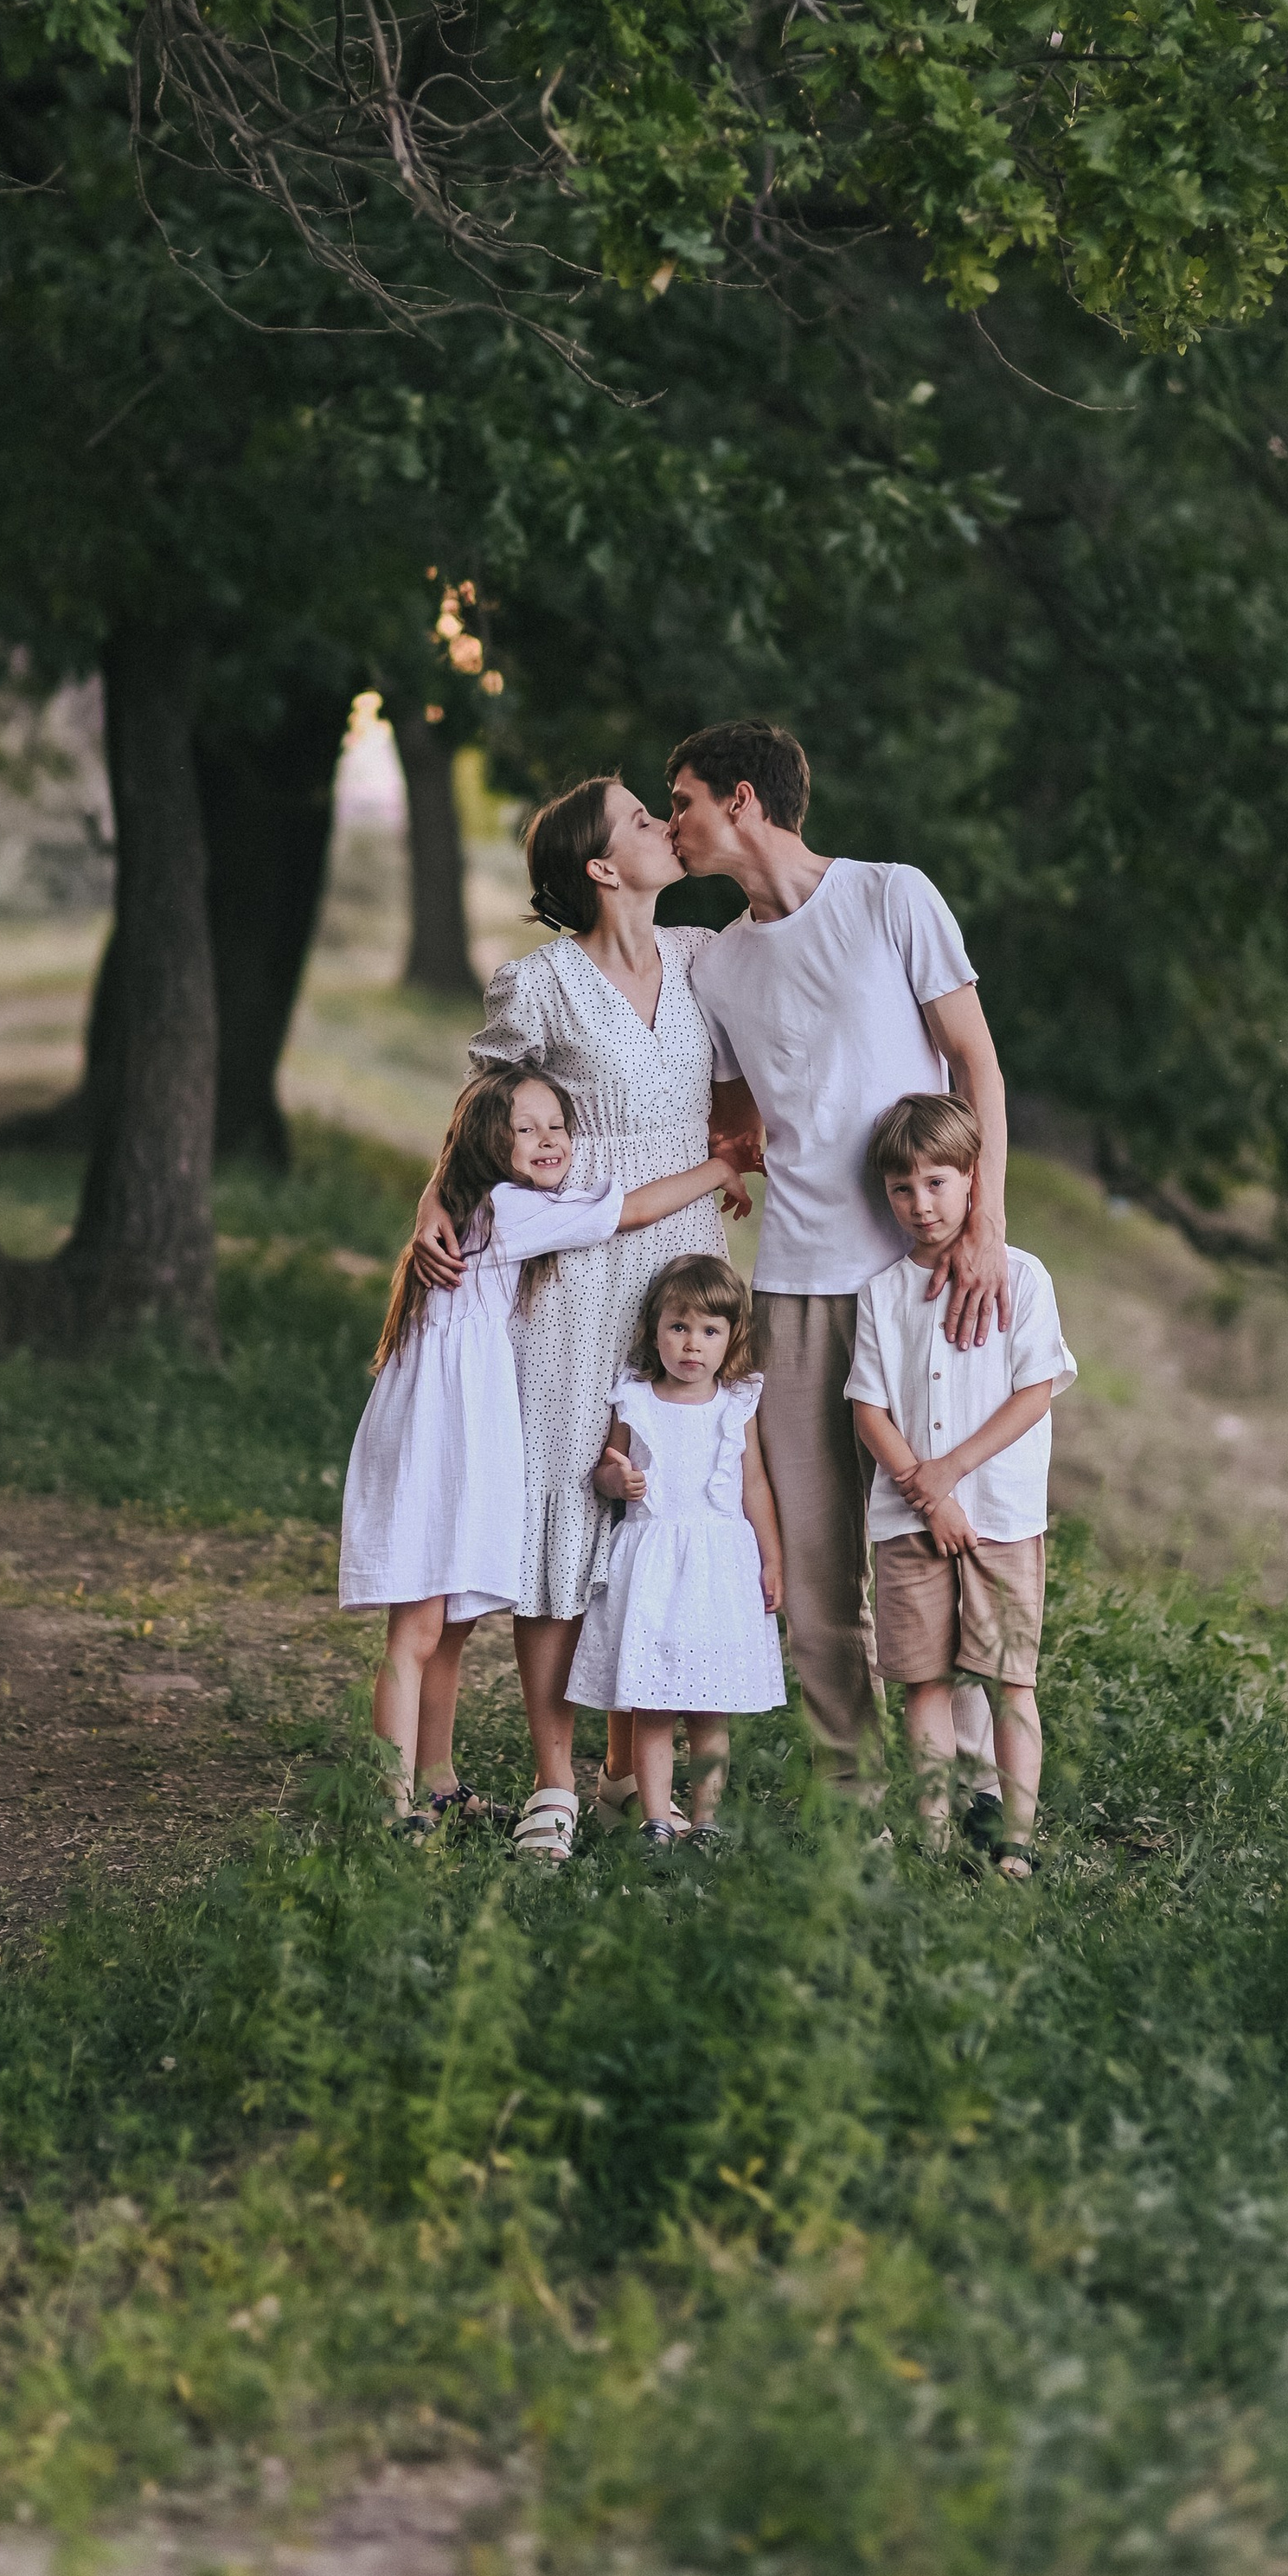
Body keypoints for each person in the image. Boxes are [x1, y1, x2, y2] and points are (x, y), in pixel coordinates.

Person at [666, 717, 1011, 1784]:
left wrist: (983, 1225)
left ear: (740, 799)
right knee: (817, 1567)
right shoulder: (718, 964)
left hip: (916, 1280)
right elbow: (735, 1127)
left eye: (679, 800)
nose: (670, 822)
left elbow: (975, 1066)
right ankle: (849, 1801)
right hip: (792, 1288)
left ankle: (976, 1793)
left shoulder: (889, 895)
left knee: (934, 1536)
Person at [406, 776, 732, 1847]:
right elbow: (478, 1116)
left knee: (664, 1499)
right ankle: (553, 1778)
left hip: (683, 1253)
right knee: (564, 1505)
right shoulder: (539, 982)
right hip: (573, 1263)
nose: (660, 825)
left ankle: (629, 1777)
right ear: (600, 866)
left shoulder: (697, 957)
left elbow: (742, 1076)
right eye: (641, 818)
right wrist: (430, 1208)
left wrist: (735, 1152)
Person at [340, 1060, 748, 1851]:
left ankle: (437, 1783)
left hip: (441, 1423)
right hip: (444, 1435)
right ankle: (389, 1807)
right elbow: (627, 1212)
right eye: (523, 1129)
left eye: (557, 1125)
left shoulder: (470, 1207)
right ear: (485, 1143)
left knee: (447, 1623)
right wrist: (720, 1166)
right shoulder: (509, 1210)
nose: (546, 1140)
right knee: (419, 1630)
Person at [844, 1094, 1074, 1879]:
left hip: (1001, 1517)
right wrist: (927, 1491)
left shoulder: (1024, 1277)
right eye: (903, 1189)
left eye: (938, 1183)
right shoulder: (881, 1293)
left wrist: (951, 1474)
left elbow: (1034, 1392)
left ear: (975, 1179)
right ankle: (935, 1835)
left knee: (1012, 1679)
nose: (921, 1204)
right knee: (924, 1682)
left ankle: (1016, 1838)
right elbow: (869, 1408)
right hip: (908, 1521)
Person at [569, 1253, 786, 1844]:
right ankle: (657, 1819)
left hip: (718, 1568)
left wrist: (771, 1558)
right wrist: (616, 1482)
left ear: (731, 1338)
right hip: (654, 1568)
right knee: (653, 1703)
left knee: (710, 1709)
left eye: (710, 1331)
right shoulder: (635, 1399)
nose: (693, 1345)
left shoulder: (736, 1403)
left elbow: (755, 1485)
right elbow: (606, 1469)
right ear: (655, 1332)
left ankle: (709, 1823)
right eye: (679, 1328)